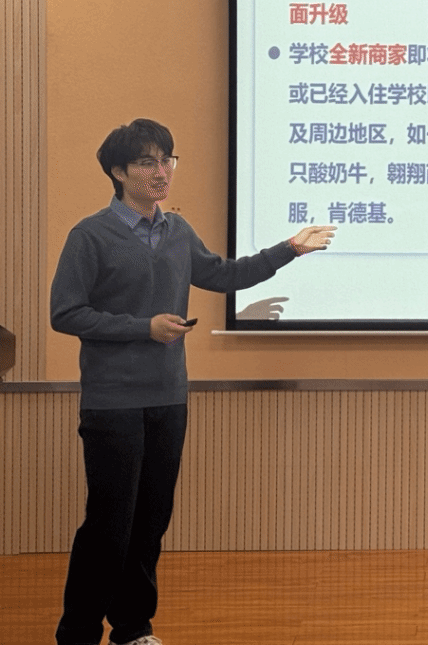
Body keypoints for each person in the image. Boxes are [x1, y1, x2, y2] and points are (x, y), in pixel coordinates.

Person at [50, 118, 336, 645]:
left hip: (169, 398)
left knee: (150, 522)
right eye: (148, 162)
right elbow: (65, 313)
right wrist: (144, 328)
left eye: (168, 160)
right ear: (118, 172)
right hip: (113, 403)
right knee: (108, 524)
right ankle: (78, 633)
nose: (162, 172)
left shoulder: (177, 232)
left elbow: (225, 275)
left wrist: (289, 248)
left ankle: (132, 628)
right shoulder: (90, 235)